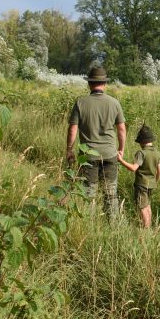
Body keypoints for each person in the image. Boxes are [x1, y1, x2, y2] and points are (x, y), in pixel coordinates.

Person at [66, 66, 126, 219]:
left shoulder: (80, 102)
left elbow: (73, 129)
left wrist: (69, 150)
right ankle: (114, 226)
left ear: (89, 84)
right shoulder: (114, 103)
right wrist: (121, 149)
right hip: (110, 154)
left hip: (89, 156)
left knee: (88, 193)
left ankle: (89, 224)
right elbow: (121, 130)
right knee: (110, 193)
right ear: (104, 84)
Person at [117, 124, 160, 228]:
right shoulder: (157, 153)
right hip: (151, 184)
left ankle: (145, 229)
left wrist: (120, 160)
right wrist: (155, 181)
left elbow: (133, 168)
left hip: (141, 184)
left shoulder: (141, 153)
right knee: (148, 206)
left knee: (142, 207)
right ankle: (149, 226)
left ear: (141, 141)